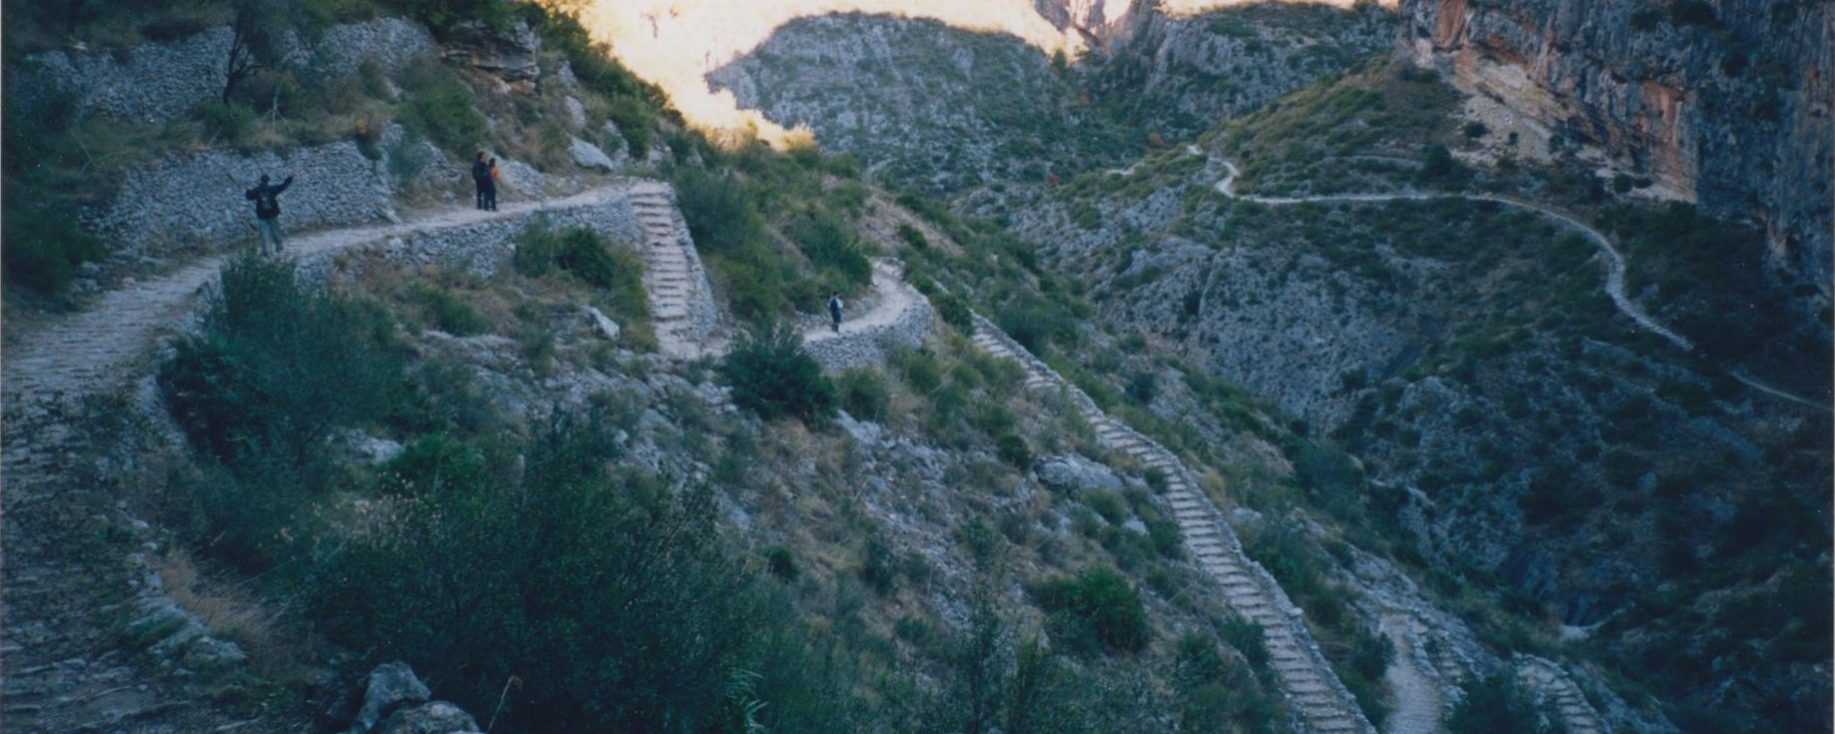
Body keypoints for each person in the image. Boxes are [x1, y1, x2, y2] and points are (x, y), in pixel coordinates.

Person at [245, 172, 295, 254]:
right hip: (272, 214)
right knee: (276, 231)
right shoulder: (272, 189)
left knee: (264, 234)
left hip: (262, 215)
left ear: (261, 181)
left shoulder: (257, 190)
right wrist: (289, 178)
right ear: (268, 181)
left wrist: (248, 190)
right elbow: (282, 186)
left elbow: (249, 197)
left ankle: (266, 251)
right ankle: (279, 247)